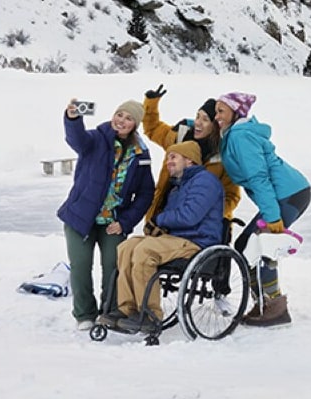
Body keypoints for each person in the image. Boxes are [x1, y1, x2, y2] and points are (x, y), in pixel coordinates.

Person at [99, 141, 224, 332]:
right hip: (175, 239)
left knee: (144, 251)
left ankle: (150, 315)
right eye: (167, 158)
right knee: (126, 247)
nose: (168, 162)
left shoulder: (205, 181)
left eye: (173, 157)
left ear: (189, 160)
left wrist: (159, 219)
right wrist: (157, 228)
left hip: (197, 241)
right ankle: (127, 309)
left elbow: (189, 216)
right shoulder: (178, 186)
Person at [214, 92, 311, 327]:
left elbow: (259, 176)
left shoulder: (240, 136)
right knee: (246, 246)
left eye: (221, 112)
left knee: (259, 248)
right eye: (216, 111)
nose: (217, 117)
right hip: (285, 194)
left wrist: (272, 216)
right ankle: (265, 304)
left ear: (236, 113)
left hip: (286, 195)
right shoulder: (233, 134)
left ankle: (274, 308)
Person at [58, 98, 154, 331]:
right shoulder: (96, 139)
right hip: (81, 217)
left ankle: (109, 312)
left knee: (113, 268)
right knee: (81, 267)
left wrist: (125, 222)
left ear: (135, 125)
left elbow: (145, 194)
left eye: (128, 118)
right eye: (119, 114)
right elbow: (76, 138)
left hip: (113, 222)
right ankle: (84, 314)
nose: (121, 121)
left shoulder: (140, 153)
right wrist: (72, 117)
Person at [140, 84, 241, 223]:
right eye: (197, 116)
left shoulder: (224, 156)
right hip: (164, 216)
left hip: (202, 227)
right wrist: (151, 104)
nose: (198, 123)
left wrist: (206, 215)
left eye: (205, 120)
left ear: (216, 126)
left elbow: (231, 196)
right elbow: (153, 129)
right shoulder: (179, 138)